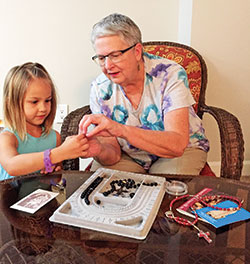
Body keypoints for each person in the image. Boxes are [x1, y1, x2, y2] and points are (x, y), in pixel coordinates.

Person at [79, 13, 209, 175]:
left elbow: (176, 145)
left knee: (164, 188)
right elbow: (113, 155)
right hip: (130, 155)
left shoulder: (170, 74)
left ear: (137, 51)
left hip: (179, 152)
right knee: (105, 186)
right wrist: (100, 150)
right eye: (101, 58)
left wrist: (121, 130)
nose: (108, 65)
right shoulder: (100, 88)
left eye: (115, 55)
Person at [0, 62, 89, 180]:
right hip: (11, 197)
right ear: (12, 103)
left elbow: (56, 178)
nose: (43, 108)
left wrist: (53, 170)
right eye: (34, 102)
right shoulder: (7, 137)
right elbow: (12, 166)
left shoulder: (54, 137)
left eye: (47, 100)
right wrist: (59, 153)